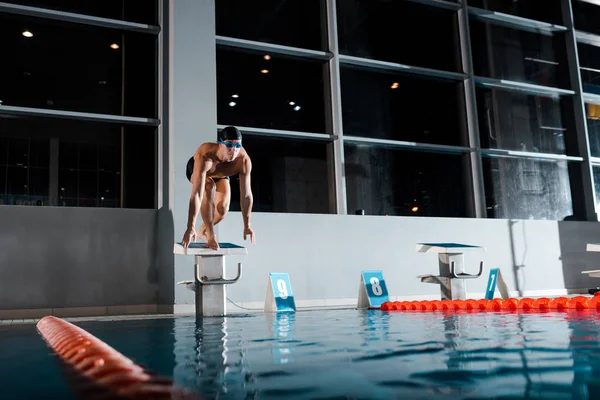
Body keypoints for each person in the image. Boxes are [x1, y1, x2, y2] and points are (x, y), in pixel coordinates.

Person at [181, 126, 256, 250]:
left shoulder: (243, 161)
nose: (234, 150)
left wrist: (247, 225)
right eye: (229, 145)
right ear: (220, 144)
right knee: (209, 187)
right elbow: (197, 195)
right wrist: (190, 227)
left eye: (238, 146)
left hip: (220, 175)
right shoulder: (206, 154)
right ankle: (210, 235)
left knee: (222, 210)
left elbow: (246, 195)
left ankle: (203, 230)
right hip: (199, 170)